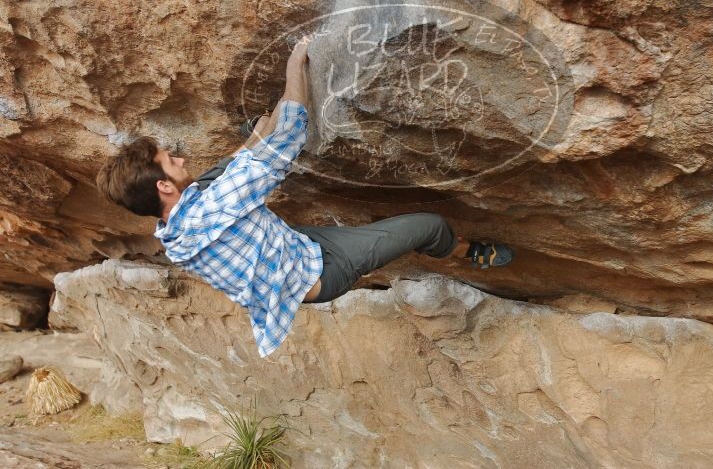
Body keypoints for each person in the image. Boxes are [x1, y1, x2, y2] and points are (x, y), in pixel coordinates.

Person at [95, 36, 514, 357]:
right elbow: (293, 129)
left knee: (247, 147)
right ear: (164, 187)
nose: (181, 158)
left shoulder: (172, 226)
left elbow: (226, 170)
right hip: (319, 274)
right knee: (429, 226)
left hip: (289, 245)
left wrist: (259, 135)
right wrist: (296, 65)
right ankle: (464, 250)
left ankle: (258, 128)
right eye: (172, 160)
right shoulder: (214, 204)